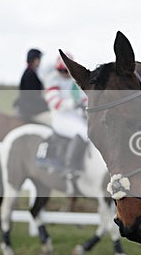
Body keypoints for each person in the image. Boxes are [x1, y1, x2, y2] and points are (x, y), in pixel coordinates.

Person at [43, 54, 88, 182]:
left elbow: (85, 98)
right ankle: (69, 168)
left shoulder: (75, 81)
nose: (64, 74)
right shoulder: (52, 80)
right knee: (83, 132)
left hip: (76, 116)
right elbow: (55, 103)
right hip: (60, 117)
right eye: (61, 71)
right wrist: (73, 104)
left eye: (66, 71)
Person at [13, 48, 51, 125]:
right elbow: (32, 95)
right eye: (39, 59)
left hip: (30, 107)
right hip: (30, 109)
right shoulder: (30, 74)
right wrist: (46, 104)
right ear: (34, 59)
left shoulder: (31, 72)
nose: (40, 62)